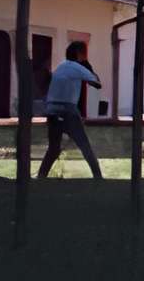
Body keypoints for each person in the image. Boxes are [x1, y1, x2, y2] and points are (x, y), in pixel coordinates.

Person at [38, 39, 104, 178]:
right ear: (80, 54)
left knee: (54, 148)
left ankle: (41, 176)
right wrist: (88, 67)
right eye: (84, 53)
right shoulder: (78, 67)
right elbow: (97, 84)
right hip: (68, 110)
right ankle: (98, 176)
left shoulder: (60, 66)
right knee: (85, 146)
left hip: (51, 110)